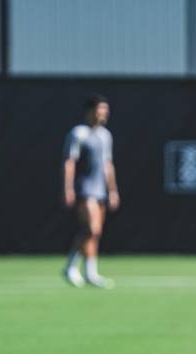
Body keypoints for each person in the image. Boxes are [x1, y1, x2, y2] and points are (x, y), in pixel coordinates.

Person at [62, 94, 120, 289]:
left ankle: (91, 273)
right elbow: (69, 162)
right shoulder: (78, 133)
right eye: (100, 110)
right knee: (91, 229)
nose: (103, 114)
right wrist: (68, 188)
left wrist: (112, 190)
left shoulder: (105, 135)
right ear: (90, 111)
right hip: (84, 188)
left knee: (95, 233)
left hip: (100, 190)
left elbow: (108, 164)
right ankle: (70, 266)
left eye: (105, 110)